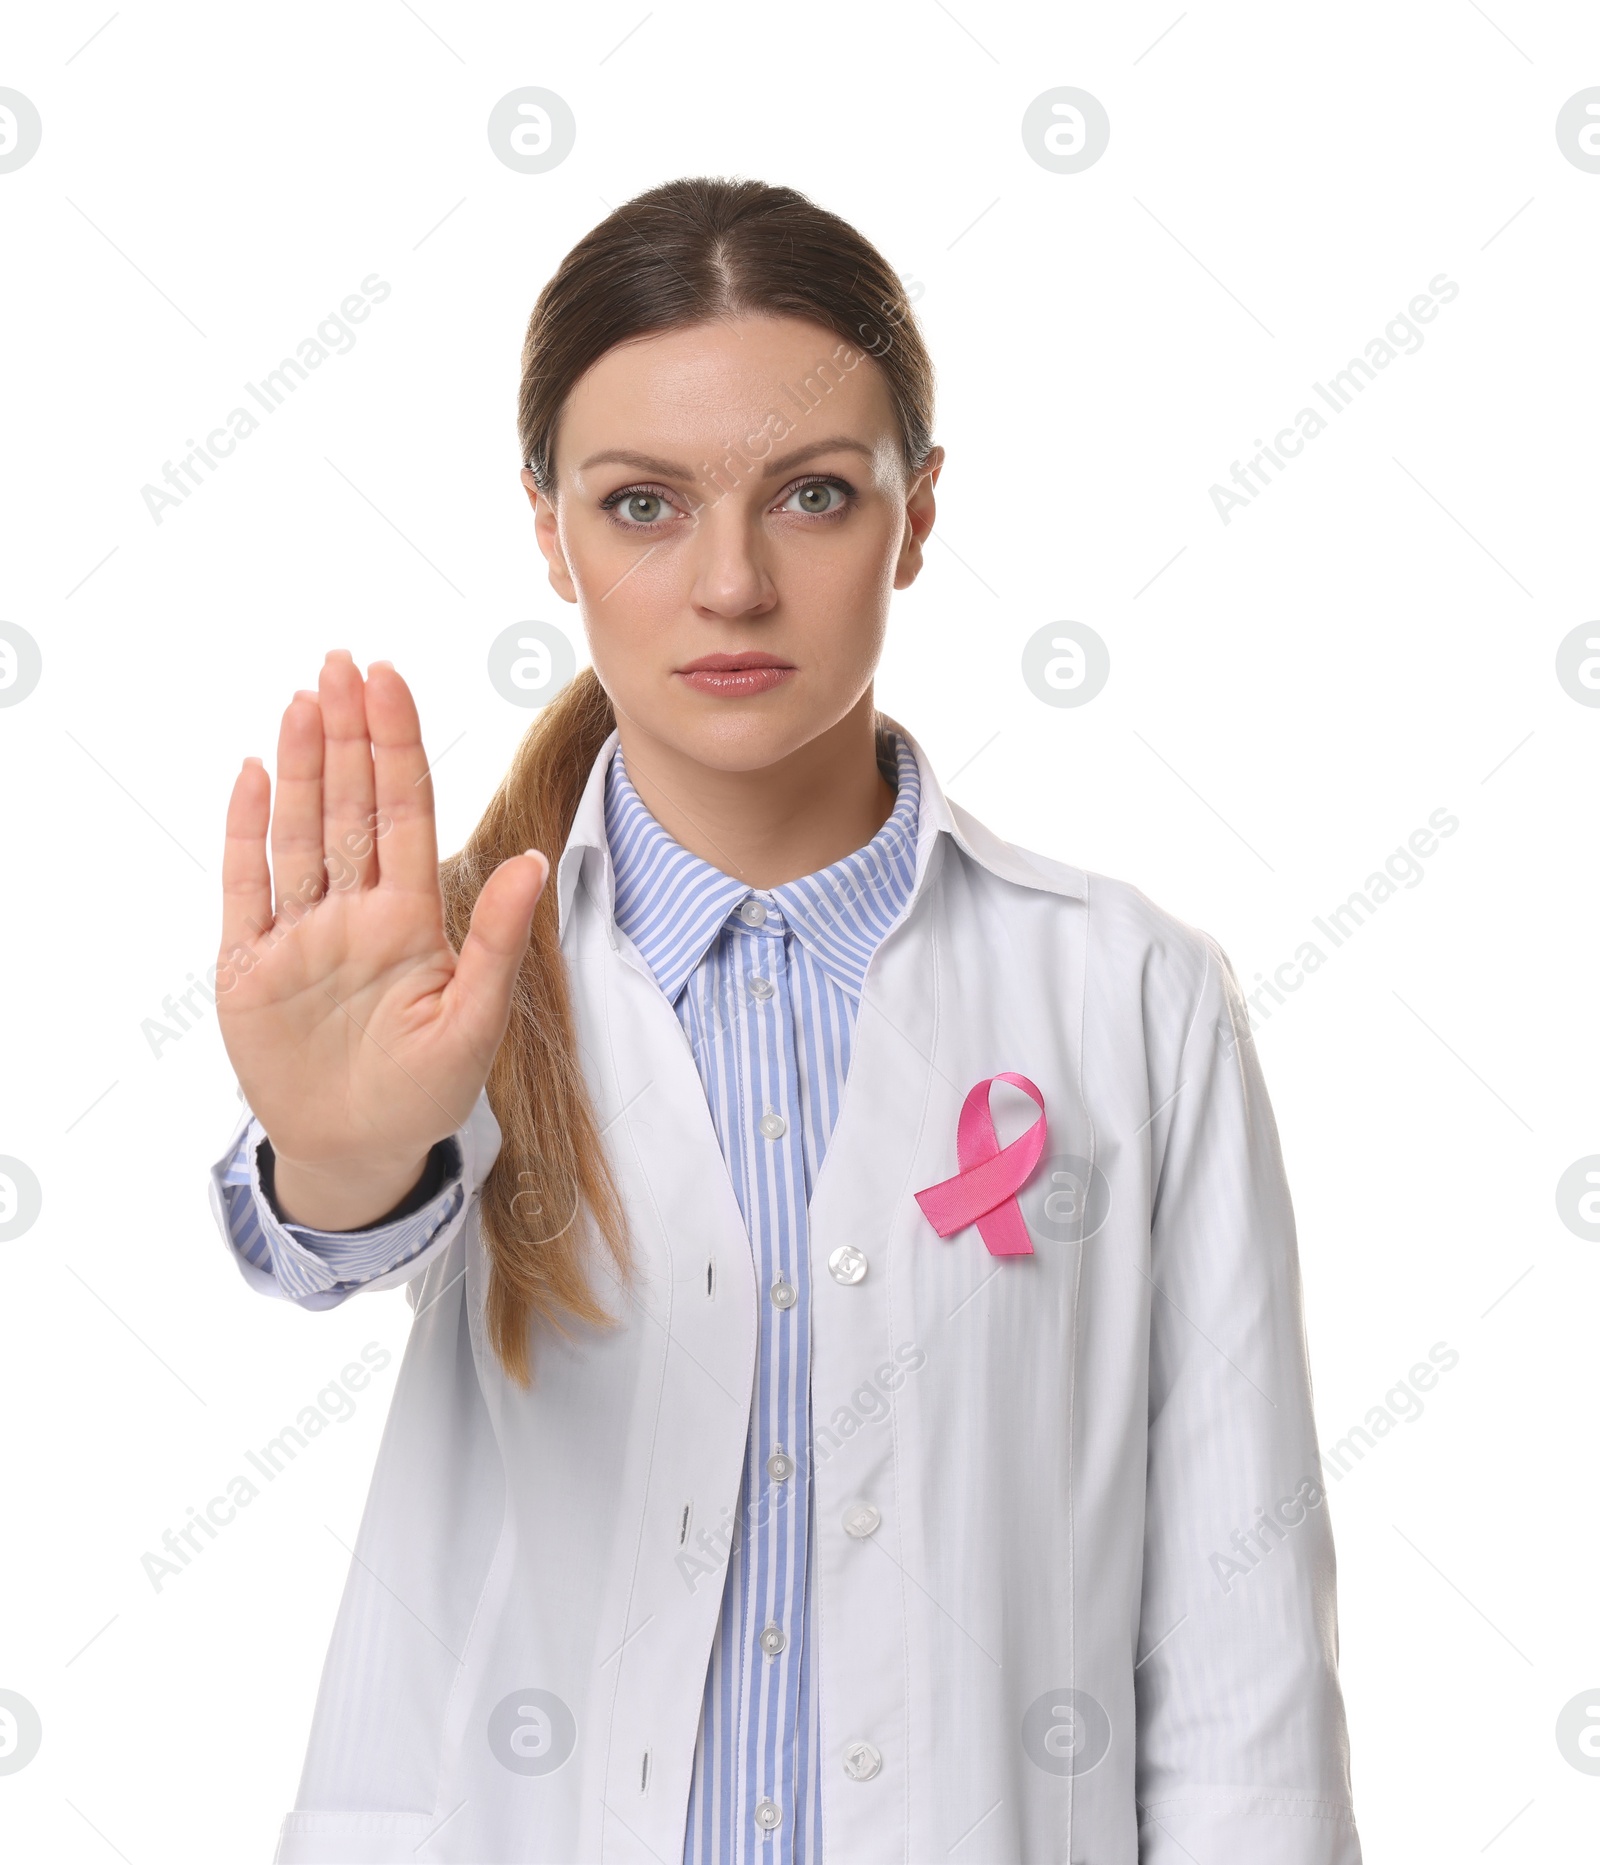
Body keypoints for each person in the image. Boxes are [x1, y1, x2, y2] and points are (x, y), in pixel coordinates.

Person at [208, 176, 1362, 1865]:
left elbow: (1239, 1631)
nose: (732, 584)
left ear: (917, 514)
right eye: (644, 504)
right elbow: (336, 1230)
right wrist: (337, 1145)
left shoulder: (1128, 993)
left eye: (813, 495)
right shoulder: (452, 971)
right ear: (550, 532)